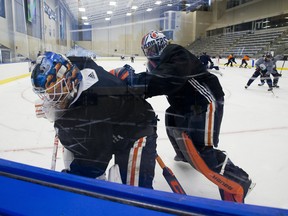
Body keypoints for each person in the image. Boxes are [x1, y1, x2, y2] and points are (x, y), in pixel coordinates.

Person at [125, 30, 254, 203]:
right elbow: (158, 80)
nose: (153, 52)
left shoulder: (176, 54)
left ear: (164, 44)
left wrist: (134, 83)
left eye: (156, 48)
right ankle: (186, 155)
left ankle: (239, 181)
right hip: (187, 104)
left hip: (205, 102)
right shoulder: (160, 61)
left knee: (203, 151)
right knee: (171, 116)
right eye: (149, 50)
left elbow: (164, 79)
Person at [31, 51, 158, 189]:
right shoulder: (76, 66)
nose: (50, 98)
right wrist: (53, 108)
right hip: (109, 126)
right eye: (47, 93)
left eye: (54, 91)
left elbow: (95, 159)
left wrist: (71, 177)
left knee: (135, 195)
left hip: (137, 129)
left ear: (68, 80)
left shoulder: (96, 104)